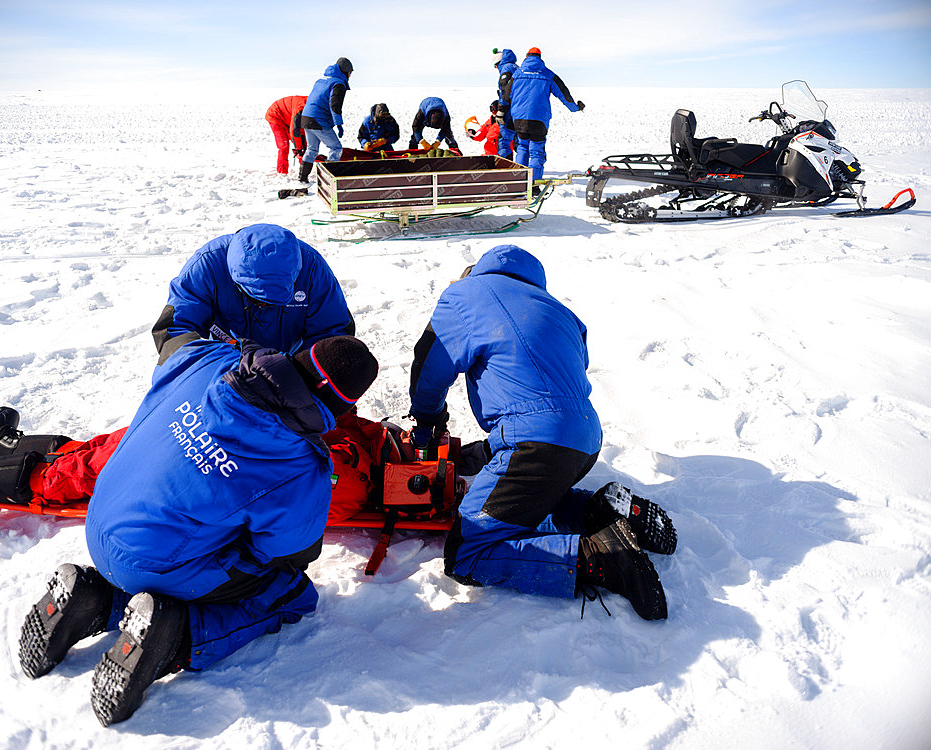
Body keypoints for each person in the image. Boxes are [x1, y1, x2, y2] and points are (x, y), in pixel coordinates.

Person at [0, 335, 378, 726]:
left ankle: (93, 598)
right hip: (150, 564)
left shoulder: (208, 357)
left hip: (99, 519)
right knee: (288, 591)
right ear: (341, 407)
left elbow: (172, 352)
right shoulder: (301, 465)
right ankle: (176, 634)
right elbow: (290, 553)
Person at [407, 245, 676, 621]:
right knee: (534, 498)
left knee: (467, 553)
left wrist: (427, 417)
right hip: (585, 438)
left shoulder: (464, 296)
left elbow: (431, 367)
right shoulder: (560, 311)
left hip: (536, 441)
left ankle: (599, 557)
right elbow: (550, 381)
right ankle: (598, 509)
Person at [151, 223, 355, 365]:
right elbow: (176, 329)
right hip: (226, 362)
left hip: (293, 362)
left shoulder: (312, 268)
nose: (264, 307)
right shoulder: (207, 265)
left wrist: (305, 375)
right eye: (255, 298)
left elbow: (332, 331)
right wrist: (206, 371)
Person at [510, 47, 585, 185]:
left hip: (519, 119)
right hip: (538, 120)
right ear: (540, 57)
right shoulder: (548, 74)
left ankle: (519, 184)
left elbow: (506, 95)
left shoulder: (516, 74)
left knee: (522, 148)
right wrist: (575, 108)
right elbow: (564, 94)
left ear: (526, 57)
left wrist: (504, 112)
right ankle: (534, 185)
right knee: (536, 152)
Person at [298, 57, 353, 184]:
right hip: (319, 119)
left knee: (311, 149)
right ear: (346, 72)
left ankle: (302, 177)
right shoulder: (338, 84)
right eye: (350, 72)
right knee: (336, 148)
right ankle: (330, 178)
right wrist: (338, 124)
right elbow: (334, 106)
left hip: (306, 118)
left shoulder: (320, 80)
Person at [265, 95, 308, 175]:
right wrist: (299, 149)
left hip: (287, 117)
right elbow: (294, 131)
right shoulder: (301, 108)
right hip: (275, 115)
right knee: (284, 146)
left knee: (303, 144)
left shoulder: (314, 106)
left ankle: (303, 168)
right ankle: (282, 172)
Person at [492, 48, 519, 159]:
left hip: (510, 110)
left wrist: (501, 110)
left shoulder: (506, 70)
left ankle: (508, 169)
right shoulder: (517, 68)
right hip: (520, 110)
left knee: (504, 140)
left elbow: (505, 90)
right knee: (521, 142)